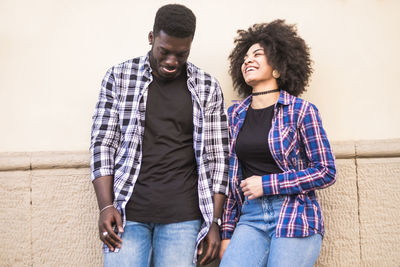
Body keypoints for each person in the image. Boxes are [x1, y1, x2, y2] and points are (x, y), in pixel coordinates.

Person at [90, 4, 229, 267]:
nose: (171, 61)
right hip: (127, 215)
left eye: (181, 54)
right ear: (151, 38)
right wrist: (106, 206)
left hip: (184, 218)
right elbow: (103, 145)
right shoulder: (119, 77)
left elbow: (218, 157)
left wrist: (214, 221)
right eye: (164, 52)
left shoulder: (207, 86)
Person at [219, 20, 336, 267]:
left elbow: (326, 171)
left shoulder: (301, 111)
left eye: (257, 54)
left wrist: (268, 184)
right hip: (250, 217)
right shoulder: (234, 115)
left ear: (278, 68)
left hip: (294, 213)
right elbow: (231, 179)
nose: (248, 60)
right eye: (245, 57)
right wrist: (227, 233)